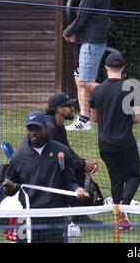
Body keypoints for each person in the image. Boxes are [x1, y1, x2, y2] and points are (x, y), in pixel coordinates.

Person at [3, 111, 89, 243]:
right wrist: (9, 187)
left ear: (45, 129)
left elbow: (69, 181)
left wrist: (77, 189)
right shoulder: (18, 157)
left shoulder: (61, 151)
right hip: (27, 216)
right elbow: (11, 188)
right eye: (30, 129)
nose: (33, 132)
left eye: (37, 128)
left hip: (55, 216)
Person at [90, 52, 140, 230]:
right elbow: (138, 118)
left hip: (104, 144)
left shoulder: (97, 91)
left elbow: (95, 119)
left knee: (116, 179)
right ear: (123, 68)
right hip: (124, 142)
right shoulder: (131, 88)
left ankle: (120, 218)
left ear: (105, 68)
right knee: (134, 176)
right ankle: (124, 204)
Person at [63, 0, 111, 131]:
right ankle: (84, 119)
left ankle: (117, 95)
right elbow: (87, 19)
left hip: (91, 43)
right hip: (88, 41)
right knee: (78, 77)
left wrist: (67, 31)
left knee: (85, 81)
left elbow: (82, 18)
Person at [45, 92, 102, 224]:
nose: (73, 109)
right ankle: (74, 215)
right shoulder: (50, 128)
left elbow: (67, 151)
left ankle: (79, 216)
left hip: (55, 164)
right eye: (69, 106)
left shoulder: (59, 126)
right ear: (59, 109)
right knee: (72, 170)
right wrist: (81, 165)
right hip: (46, 170)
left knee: (77, 170)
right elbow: (58, 158)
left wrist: (83, 162)